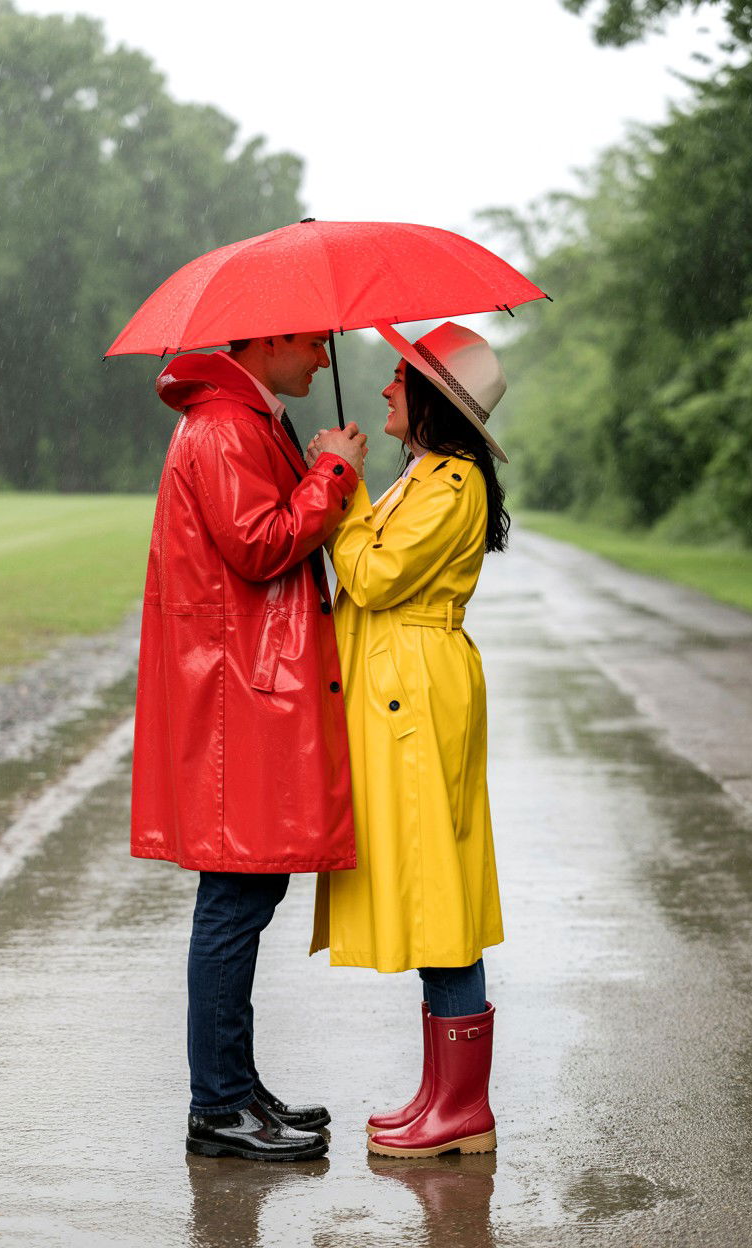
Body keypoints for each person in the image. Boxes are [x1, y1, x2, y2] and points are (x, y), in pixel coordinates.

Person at [131, 331, 366, 1162]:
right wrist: (331, 472)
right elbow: (260, 544)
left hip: (240, 685)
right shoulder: (228, 427)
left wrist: (314, 468)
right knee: (234, 900)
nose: (324, 362)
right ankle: (218, 1104)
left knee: (246, 896)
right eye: (313, 344)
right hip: (238, 692)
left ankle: (236, 1087)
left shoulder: (242, 418)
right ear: (268, 340)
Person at [309, 321, 508, 1159]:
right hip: (406, 691)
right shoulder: (425, 474)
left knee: (441, 895)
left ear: (431, 396)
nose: (387, 387)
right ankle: (442, 1096)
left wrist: (342, 485)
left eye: (400, 376)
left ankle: (464, 1111)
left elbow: (375, 574)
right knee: (433, 891)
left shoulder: (453, 480)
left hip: (421, 694)